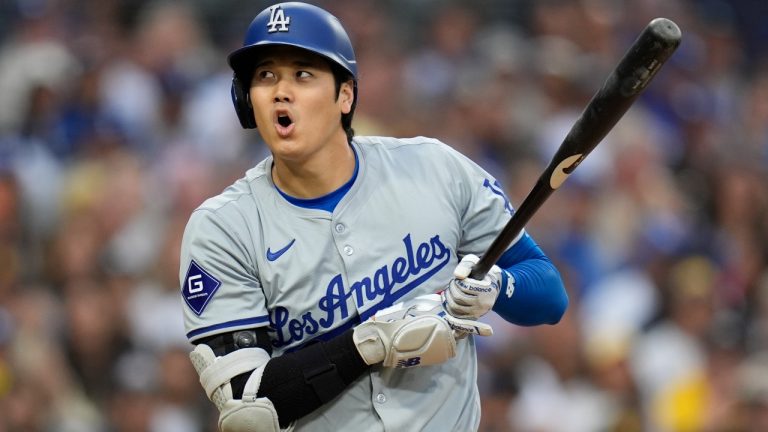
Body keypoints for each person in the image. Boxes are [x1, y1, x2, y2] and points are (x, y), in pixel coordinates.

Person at [179, 2, 568, 431]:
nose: (280, 91)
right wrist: (370, 343)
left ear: (345, 94)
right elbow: (246, 413)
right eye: (265, 76)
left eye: (302, 75)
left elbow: (550, 296)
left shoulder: (434, 168)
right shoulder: (223, 229)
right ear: (246, 100)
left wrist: (497, 287)